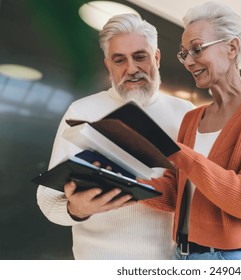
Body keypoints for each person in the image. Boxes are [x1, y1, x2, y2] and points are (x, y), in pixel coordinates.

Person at [136, 1, 241, 260]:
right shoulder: (191, 119)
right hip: (183, 255)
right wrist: (127, 185)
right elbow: (177, 192)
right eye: (184, 53)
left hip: (232, 259)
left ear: (232, 47)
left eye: (197, 49)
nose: (188, 61)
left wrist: (175, 151)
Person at [36, 13, 195, 260]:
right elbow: (47, 200)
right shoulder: (81, 111)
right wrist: (75, 210)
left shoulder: (187, 114)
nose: (131, 69)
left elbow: (199, 198)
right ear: (108, 65)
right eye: (119, 60)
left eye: (140, 57)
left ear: (157, 57)